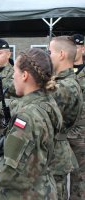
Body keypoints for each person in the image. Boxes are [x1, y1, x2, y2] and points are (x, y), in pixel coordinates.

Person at [0, 48, 62, 199]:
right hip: (43, 187)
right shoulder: (47, 101)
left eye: (15, 71)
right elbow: (16, 104)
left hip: (24, 194)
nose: (13, 76)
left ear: (24, 75)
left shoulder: (26, 117)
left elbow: (6, 176)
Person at [48, 36, 83, 200]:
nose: (48, 56)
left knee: (77, 181)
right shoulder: (59, 78)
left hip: (76, 137)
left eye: (50, 52)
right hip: (60, 138)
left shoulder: (66, 83)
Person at [69, 33, 85, 200]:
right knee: (56, 178)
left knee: (80, 180)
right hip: (60, 135)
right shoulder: (58, 74)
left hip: (81, 135)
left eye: (78, 47)